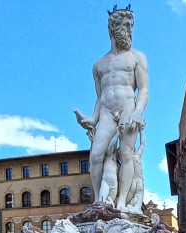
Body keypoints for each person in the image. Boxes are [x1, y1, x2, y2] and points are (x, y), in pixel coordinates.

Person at [74, 6, 149, 210]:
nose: (130, 30)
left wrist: (138, 111)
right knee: (96, 155)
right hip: (106, 111)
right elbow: (100, 97)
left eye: (131, 25)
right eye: (126, 25)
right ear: (113, 28)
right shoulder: (99, 65)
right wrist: (92, 119)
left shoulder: (137, 57)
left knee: (126, 153)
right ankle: (99, 201)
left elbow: (143, 89)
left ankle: (122, 202)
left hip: (128, 108)